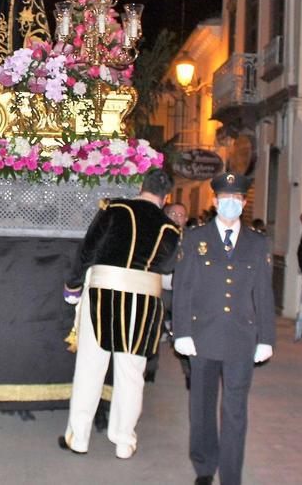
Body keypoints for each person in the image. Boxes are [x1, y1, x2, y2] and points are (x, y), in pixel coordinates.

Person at [57, 169, 181, 459]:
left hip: (104, 295)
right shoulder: (171, 229)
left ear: (141, 185)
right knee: (131, 373)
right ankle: (124, 441)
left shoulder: (116, 208)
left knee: (91, 368)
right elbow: (166, 266)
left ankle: (80, 438)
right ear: (167, 198)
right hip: (144, 304)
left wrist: (73, 286)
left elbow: (88, 251)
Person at [173, 172, 275, 485]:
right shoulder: (195, 239)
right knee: (202, 406)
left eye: (237, 199)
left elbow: (264, 293)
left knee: (235, 411)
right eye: (224, 199)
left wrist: (266, 338)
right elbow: (183, 288)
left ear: (243, 203)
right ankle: (204, 467)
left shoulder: (257, 243)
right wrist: (182, 332)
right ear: (215, 202)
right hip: (202, 336)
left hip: (242, 337)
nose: (230, 204)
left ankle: (231, 476)